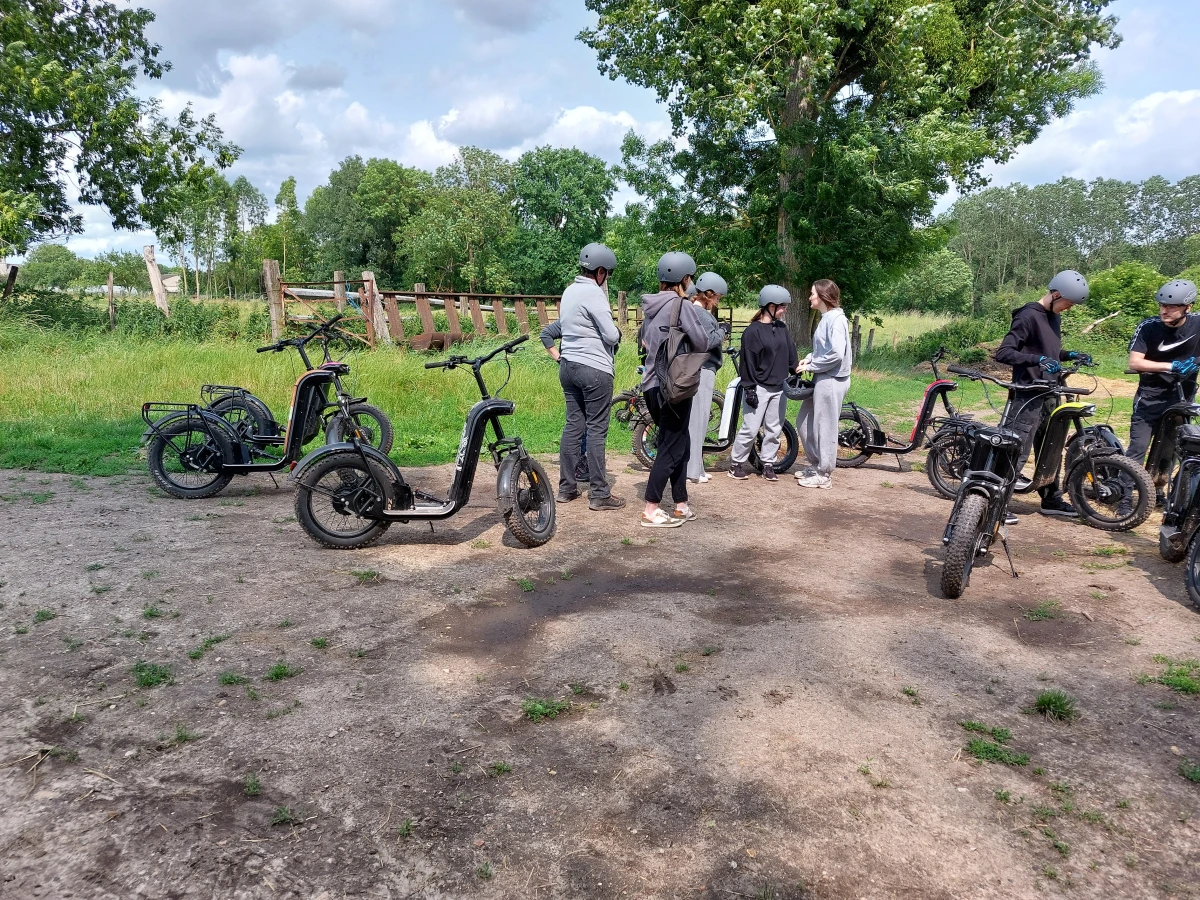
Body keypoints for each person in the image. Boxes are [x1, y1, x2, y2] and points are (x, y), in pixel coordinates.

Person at [993, 270, 1091, 518]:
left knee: (1051, 449)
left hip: (1050, 392)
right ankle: (997, 505)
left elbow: (1049, 352)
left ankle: (1051, 499)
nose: (1069, 308)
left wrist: (1069, 354)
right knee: (1017, 451)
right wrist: (1036, 360)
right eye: (1068, 303)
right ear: (1056, 294)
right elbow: (1004, 353)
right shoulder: (1027, 316)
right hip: (1027, 396)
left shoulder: (1053, 317)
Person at [638, 251, 723, 527]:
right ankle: (651, 509)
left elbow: (645, 342)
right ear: (685, 279)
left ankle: (681, 504)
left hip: (651, 385)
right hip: (674, 386)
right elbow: (702, 341)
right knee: (670, 447)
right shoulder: (682, 306)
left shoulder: (650, 307)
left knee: (680, 442)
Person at [553, 242, 625, 511]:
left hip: (568, 365)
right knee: (596, 429)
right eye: (608, 273)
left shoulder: (569, 291)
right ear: (600, 271)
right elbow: (611, 335)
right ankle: (599, 494)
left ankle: (566, 488)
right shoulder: (594, 293)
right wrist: (618, 332)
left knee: (573, 426)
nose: (607, 278)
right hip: (594, 368)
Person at [1125, 279, 1200, 506]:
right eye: (1162, 305)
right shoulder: (1148, 327)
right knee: (1138, 448)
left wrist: (1196, 361)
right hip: (1150, 397)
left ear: (1188, 307)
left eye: (1172, 306)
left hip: (1181, 398)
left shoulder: (1197, 324)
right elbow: (1135, 362)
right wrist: (1171, 366)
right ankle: (1125, 499)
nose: (1164, 310)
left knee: (1171, 450)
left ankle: (1158, 491)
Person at [728, 284, 797, 483]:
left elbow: (791, 354)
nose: (784, 310)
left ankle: (768, 464)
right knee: (750, 428)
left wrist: (796, 371)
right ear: (770, 306)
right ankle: (736, 464)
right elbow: (747, 363)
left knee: (774, 429)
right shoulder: (752, 332)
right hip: (758, 387)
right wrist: (749, 388)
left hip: (779, 387)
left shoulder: (782, 328)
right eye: (782, 306)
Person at [795, 279, 851, 489]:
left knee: (825, 427)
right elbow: (824, 349)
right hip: (822, 376)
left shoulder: (836, 320)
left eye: (812, 294)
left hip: (831, 379)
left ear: (823, 296)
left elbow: (836, 353)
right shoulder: (826, 318)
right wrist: (809, 358)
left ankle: (824, 474)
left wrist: (812, 366)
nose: (810, 297)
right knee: (803, 421)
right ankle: (815, 464)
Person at [687, 271, 729, 484]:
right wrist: (722, 331)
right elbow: (708, 341)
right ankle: (692, 471)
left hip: (702, 368)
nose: (718, 301)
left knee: (701, 420)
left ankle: (698, 468)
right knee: (698, 420)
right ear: (708, 294)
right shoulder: (701, 314)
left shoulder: (697, 312)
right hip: (703, 368)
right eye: (717, 297)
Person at [539, 317, 591, 485]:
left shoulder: (580, 318)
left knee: (580, 421)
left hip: (579, 372)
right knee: (581, 421)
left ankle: (580, 464)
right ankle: (579, 464)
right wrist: (559, 358)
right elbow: (545, 334)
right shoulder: (570, 319)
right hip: (580, 373)